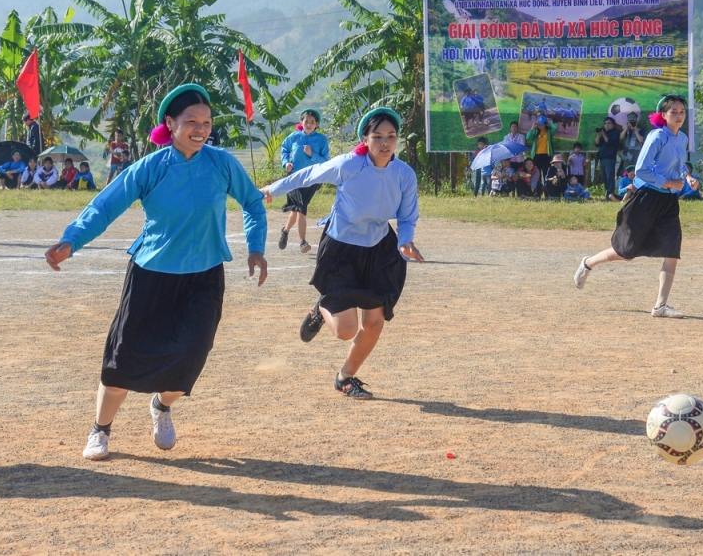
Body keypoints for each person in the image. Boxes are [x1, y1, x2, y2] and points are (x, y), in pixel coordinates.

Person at [43, 84, 268, 460]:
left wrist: (256, 247)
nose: (201, 129)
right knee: (124, 358)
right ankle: (101, 429)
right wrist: (72, 240)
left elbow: (253, 203)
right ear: (171, 123)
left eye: (207, 122)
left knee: (192, 355)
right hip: (152, 273)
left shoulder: (221, 163)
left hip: (205, 276)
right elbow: (105, 206)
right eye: (191, 121)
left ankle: (161, 407)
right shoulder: (151, 166)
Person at [261, 107, 421, 401]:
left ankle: (345, 378)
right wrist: (273, 188)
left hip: (380, 249)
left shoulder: (404, 174)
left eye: (391, 136)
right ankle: (321, 306)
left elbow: (408, 217)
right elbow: (309, 174)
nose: (385, 143)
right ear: (365, 138)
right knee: (346, 330)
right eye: (378, 137)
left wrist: (405, 242)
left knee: (374, 323)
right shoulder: (349, 164)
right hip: (342, 248)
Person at [574, 95, 699, 319]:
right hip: (646, 199)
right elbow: (641, 170)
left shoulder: (682, 139)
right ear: (663, 115)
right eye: (674, 112)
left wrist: (687, 178)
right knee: (627, 253)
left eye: (682, 111)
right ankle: (588, 263)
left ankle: (660, 306)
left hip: (668, 202)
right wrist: (669, 182)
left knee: (672, 252)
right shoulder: (656, 136)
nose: (679, 115)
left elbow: (678, 167)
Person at [277, 109, 331, 252]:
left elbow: (325, 160)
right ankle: (302, 242)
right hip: (294, 178)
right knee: (301, 208)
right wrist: (286, 163)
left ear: (316, 125)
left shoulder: (321, 140)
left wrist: (312, 154)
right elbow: (284, 149)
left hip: (312, 179)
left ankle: (285, 231)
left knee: (296, 210)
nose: (308, 124)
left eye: (312, 122)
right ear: (301, 122)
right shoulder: (294, 137)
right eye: (306, 121)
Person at [594, 116, 621, 200]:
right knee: (604, 177)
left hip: (610, 159)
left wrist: (604, 134)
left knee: (610, 177)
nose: (607, 125)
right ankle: (607, 193)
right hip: (602, 159)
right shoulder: (603, 133)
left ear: (613, 124)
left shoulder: (615, 133)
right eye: (605, 123)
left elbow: (610, 142)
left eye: (609, 123)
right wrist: (599, 135)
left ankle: (610, 195)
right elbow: (597, 144)